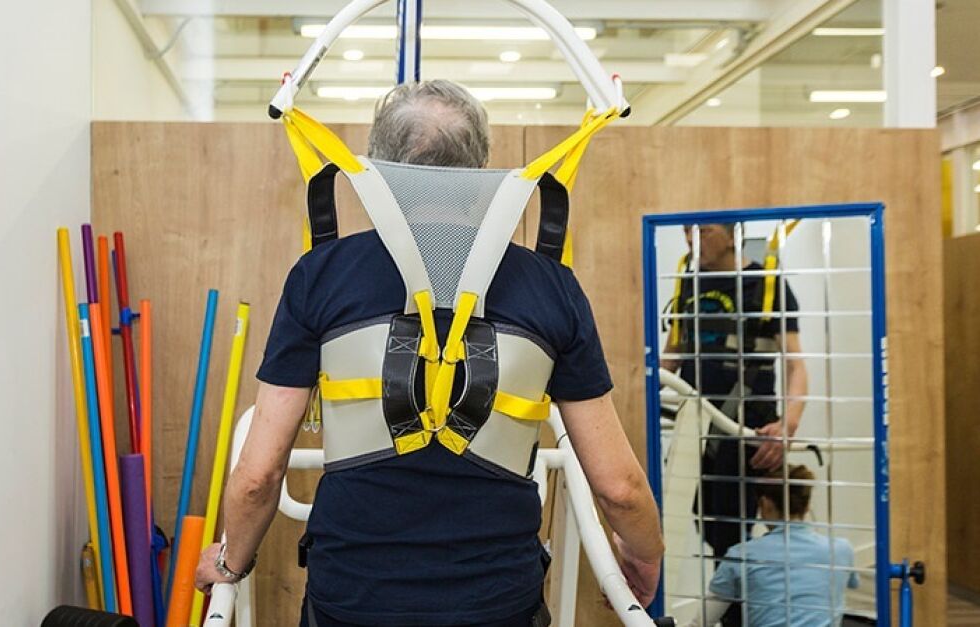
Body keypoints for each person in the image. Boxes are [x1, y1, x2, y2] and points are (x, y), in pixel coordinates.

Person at [194, 79, 664, 626]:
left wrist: (229, 562)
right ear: (479, 171)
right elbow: (620, 488)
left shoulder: (321, 276)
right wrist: (645, 556)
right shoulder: (550, 286)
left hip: (353, 601)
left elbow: (259, 475)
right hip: (497, 604)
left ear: (379, 169)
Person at [661, 223, 808, 627]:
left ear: (731, 234)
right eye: (686, 231)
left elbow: (796, 364)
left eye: (703, 230)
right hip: (695, 428)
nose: (691, 238)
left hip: (748, 429)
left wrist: (788, 424)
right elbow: (673, 354)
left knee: (739, 534)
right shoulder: (686, 282)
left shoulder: (767, 285)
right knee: (710, 528)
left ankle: (747, 617)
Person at [687, 465, 858, 627]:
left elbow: (702, 622)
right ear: (806, 507)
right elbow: (849, 585)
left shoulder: (741, 555)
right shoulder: (841, 550)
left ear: (765, 504)